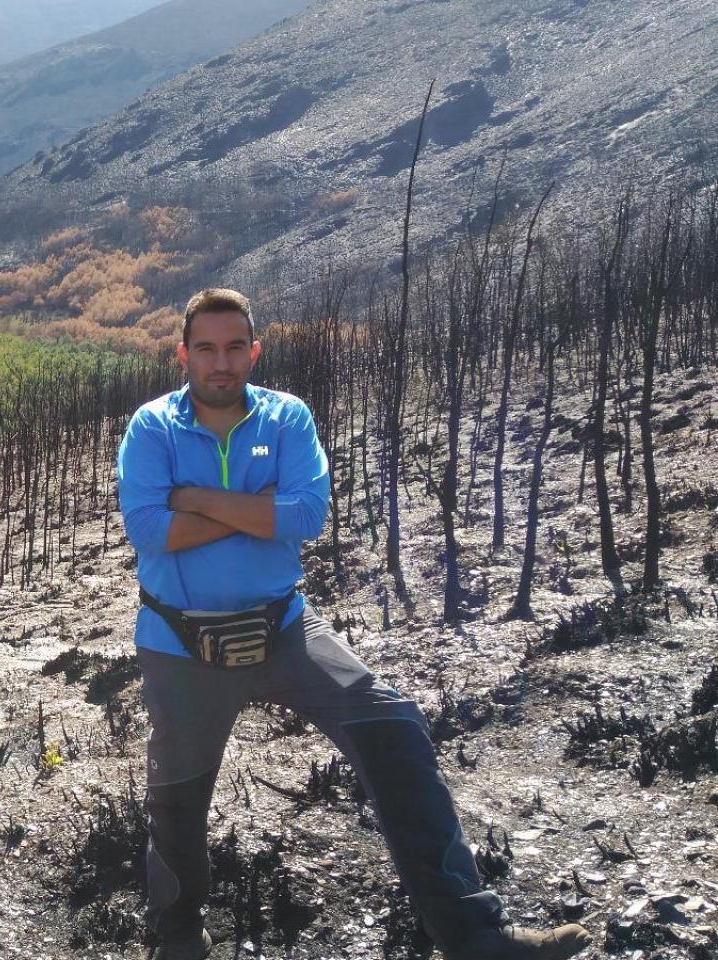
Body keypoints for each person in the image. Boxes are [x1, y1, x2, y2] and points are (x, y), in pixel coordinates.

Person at [115, 288, 593, 960]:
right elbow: (148, 529)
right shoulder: (152, 427)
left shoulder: (286, 418)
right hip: (179, 642)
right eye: (205, 349)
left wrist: (194, 498)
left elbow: (306, 515)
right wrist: (255, 508)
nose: (220, 363)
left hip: (284, 628)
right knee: (176, 802)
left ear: (253, 352)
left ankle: (472, 935)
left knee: (393, 726)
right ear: (183, 354)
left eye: (232, 348)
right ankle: (179, 945)